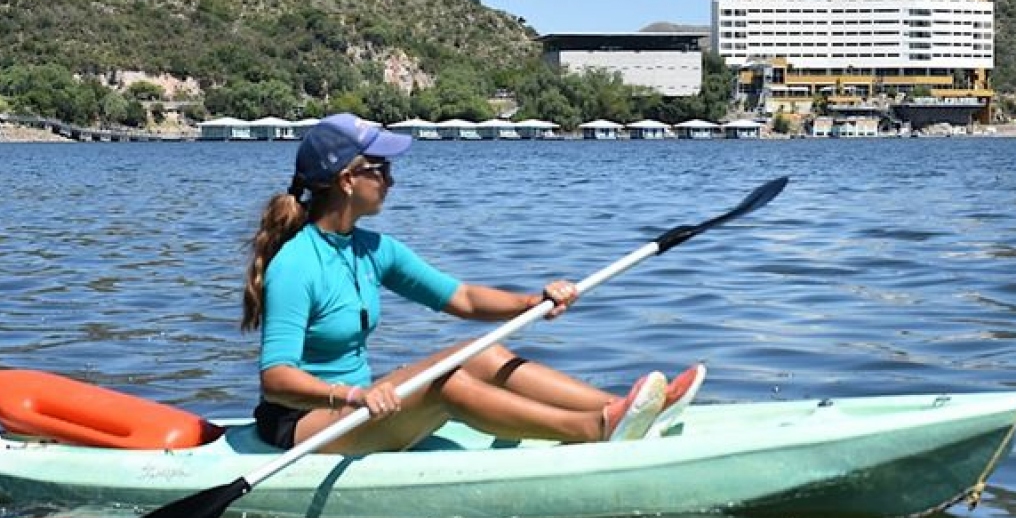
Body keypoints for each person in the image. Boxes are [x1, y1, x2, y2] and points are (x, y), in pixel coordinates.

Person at [242, 113, 704, 454]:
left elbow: (461, 298)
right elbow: (276, 379)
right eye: (381, 169)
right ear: (346, 180)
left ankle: (634, 407)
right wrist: (353, 394)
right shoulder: (296, 264)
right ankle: (598, 428)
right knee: (447, 384)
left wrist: (531, 301)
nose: (391, 180)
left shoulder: (370, 248)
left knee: (481, 352)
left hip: (356, 408)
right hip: (303, 425)